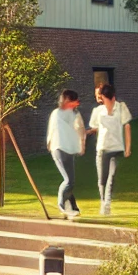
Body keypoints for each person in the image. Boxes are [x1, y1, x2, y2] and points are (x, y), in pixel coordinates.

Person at [88, 83, 132, 217]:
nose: (108, 103)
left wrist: (128, 148)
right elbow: (95, 127)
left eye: (109, 100)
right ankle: (103, 201)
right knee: (102, 178)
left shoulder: (121, 107)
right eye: (104, 100)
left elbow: (127, 127)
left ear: (113, 98)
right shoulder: (98, 111)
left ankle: (107, 203)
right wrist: (86, 132)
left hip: (116, 147)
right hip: (102, 147)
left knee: (111, 177)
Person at [46, 89, 85, 220]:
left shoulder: (74, 115)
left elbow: (80, 129)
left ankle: (73, 206)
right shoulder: (56, 113)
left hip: (69, 149)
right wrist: (49, 143)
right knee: (68, 180)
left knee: (71, 180)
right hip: (58, 148)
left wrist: (82, 145)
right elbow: (52, 130)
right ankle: (61, 204)